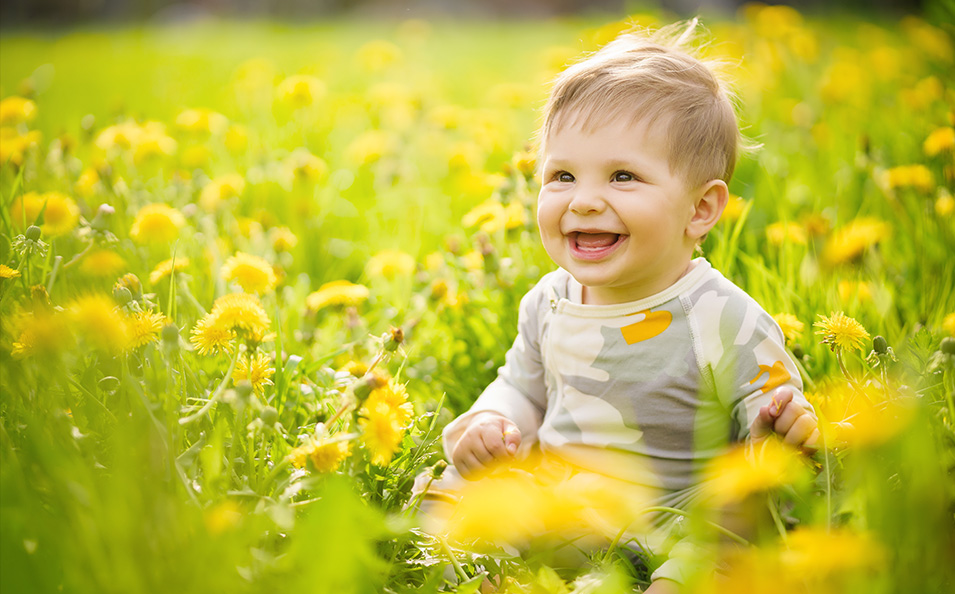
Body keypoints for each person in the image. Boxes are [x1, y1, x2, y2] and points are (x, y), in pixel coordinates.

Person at [420, 19, 819, 593]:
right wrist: (494, 420)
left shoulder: (722, 317)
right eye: (561, 175)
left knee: (728, 536)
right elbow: (522, 387)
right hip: (559, 503)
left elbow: (771, 417)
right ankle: (485, 574)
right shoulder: (549, 301)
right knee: (458, 490)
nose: (583, 202)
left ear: (700, 209)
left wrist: (777, 431)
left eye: (623, 176)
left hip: (676, 516)